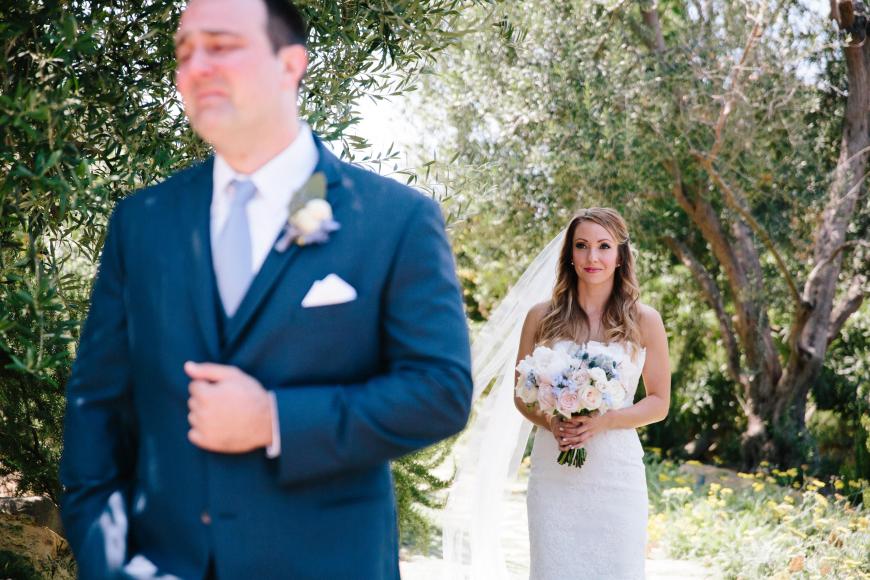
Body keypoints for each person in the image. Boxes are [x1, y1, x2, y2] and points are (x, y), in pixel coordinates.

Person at [59, 0, 472, 578]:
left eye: (221, 46)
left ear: (290, 64)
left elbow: (440, 391)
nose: (196, 67)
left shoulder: (395, 220)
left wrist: (275, 420)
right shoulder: (142, 221)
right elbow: (96, 407)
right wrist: (110, 564)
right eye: (184, 52)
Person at [513, 208, 670, 579]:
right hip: (554, 470)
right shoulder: (541, 316)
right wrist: (551, 421)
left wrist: (606, 421)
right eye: (581, 246)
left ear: (620, 256)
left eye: (604, 246)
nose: (592, 257)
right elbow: (521, 394)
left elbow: (659, 402)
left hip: (616, 474)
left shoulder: (645, 320)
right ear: (570, 253)